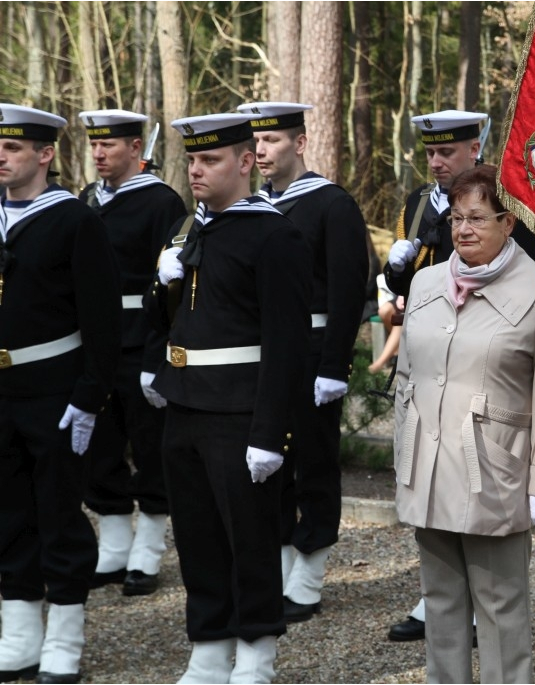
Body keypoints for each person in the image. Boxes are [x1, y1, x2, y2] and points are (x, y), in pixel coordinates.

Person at [145, 113, 312, 683]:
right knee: (197, 537)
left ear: (245, 162)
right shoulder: (193, 229)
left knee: (250, 539)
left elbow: (287, 344)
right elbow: (175, 318)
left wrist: (270, 433)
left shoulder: (274, 234)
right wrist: (159, 289)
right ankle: (209, 651)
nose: (196, 170)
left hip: (240, 412)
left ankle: (257, 655)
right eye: (191, 160)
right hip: (186, 405)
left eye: (210, 160)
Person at [391, 163, 535, 683]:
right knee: (440, 605)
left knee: (500, 607)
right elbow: (405, 376)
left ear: (508, 223)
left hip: (495, 471)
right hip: (430, 465)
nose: (463, 230)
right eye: (457, 218)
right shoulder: (423, 283)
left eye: (478, 218)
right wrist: (404, 455)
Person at [0, 104, 121, 683]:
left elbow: (101, 318)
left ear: (44, 155)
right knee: (7, 515)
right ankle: (20, 635)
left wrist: (90, 394)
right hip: (1, 391)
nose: (1, 156)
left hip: (53, 390)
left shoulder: (74, 220)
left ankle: (64, 639)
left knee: (58, 514)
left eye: (14, 148)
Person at [236, 100, 370, 624]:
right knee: (272, 462)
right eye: (256, 143)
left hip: (314, 355)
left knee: (313, 462)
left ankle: (309, 575)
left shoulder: (331, 204)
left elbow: (346, 290)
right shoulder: (252, 206)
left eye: (272, 141)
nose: (262, 151)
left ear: (301, 142)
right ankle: (284, 562)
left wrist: (336, 365)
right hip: (266, 355)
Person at [78, 109, 187, 597]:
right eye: (95, 145)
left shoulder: (161, 202)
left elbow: (167, 288)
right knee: (99, 447)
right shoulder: (86, 199)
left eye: (110, 145)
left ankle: (147, 551)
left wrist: (154, 356)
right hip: (93, 343)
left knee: (148, 447)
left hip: (140, 340)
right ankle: (115, 547)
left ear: (135, 149)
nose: (99, 153)